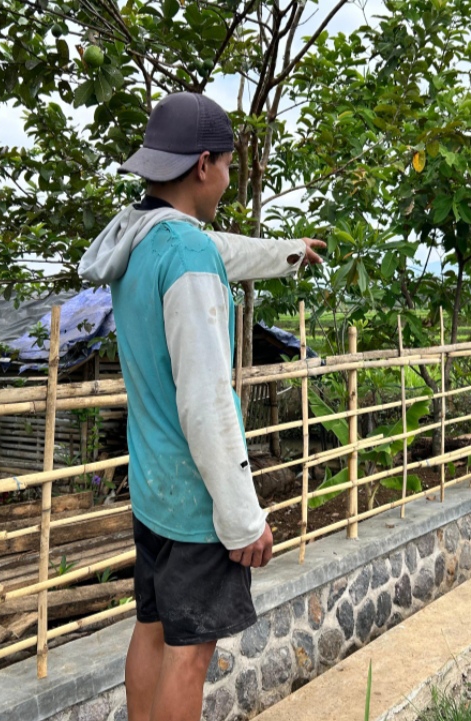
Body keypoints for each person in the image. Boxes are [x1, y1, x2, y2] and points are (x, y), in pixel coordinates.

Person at [78, 92, 324, 721]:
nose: (227, 182)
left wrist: (288, 251)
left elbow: (220, 248)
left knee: (152, 628)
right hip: (195, 502)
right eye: (227, 169)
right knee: (190, 656)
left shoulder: (143, 243)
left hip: (153, 490)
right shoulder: (187, 261)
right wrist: (244, 521)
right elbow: (208, 403)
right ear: (204, 164)